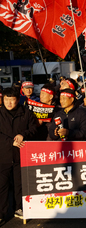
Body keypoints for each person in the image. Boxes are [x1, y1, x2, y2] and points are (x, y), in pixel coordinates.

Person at [0, 87, 37, 222]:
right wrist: (10, 142)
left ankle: (19, 207)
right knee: (2, 185)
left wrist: (23, 135)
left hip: (21, 155)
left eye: (12, 100)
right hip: (3, 155)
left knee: (19, 183)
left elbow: (33, 129)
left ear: (18, 100)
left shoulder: (25, 113)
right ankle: (1, 213)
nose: (9, 103)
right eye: (6, 100)